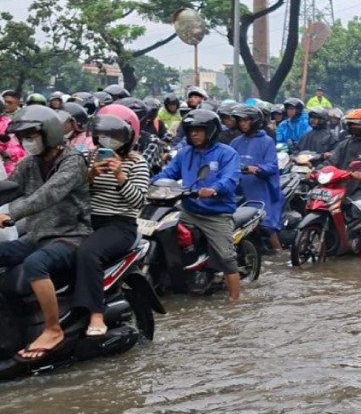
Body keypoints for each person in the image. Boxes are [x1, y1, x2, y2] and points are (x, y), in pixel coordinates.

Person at [0, 106, 92, 361]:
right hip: (36, 235)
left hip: (71, 236)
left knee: (35, 264)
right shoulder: (29, 164)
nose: (27, 142)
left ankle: (53, 329)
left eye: (32, 135)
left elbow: (48, 193)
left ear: (49, 133)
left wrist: (11, 215)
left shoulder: (73, 161)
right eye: (23, 137)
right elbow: (9, 189)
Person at [73, 105, 149, 337]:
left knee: (88, 253)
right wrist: (90, 176)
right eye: (103, 134)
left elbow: (138, 202)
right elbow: (71, 193)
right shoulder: (87, 157)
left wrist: (120, 176)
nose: (108, 140)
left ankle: (96, 313)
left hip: (119, 224)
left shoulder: (137, 163)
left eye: (114, 135)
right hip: (86, 221)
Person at [152, 110, 242, 301]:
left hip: (216, 214)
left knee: (227, 258)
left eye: (199, 130)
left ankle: (235, 301)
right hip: (188, 209)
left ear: (211, 130)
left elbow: (231, 178)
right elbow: (168, 173)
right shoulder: (185, 153)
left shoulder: (227, 153)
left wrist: (214, 188)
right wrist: (147, 183)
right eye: (191, 130)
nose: (194, 134)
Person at [231, 106, 284, 252]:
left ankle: (278, 251)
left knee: (266, 224)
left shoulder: (266, 141)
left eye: (246, 120)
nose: (242, 123)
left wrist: (256, 169)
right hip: (239, 188)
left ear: (254, 121)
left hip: (261, 188)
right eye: (240, 120)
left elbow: (272, 166)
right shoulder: (235, 142)